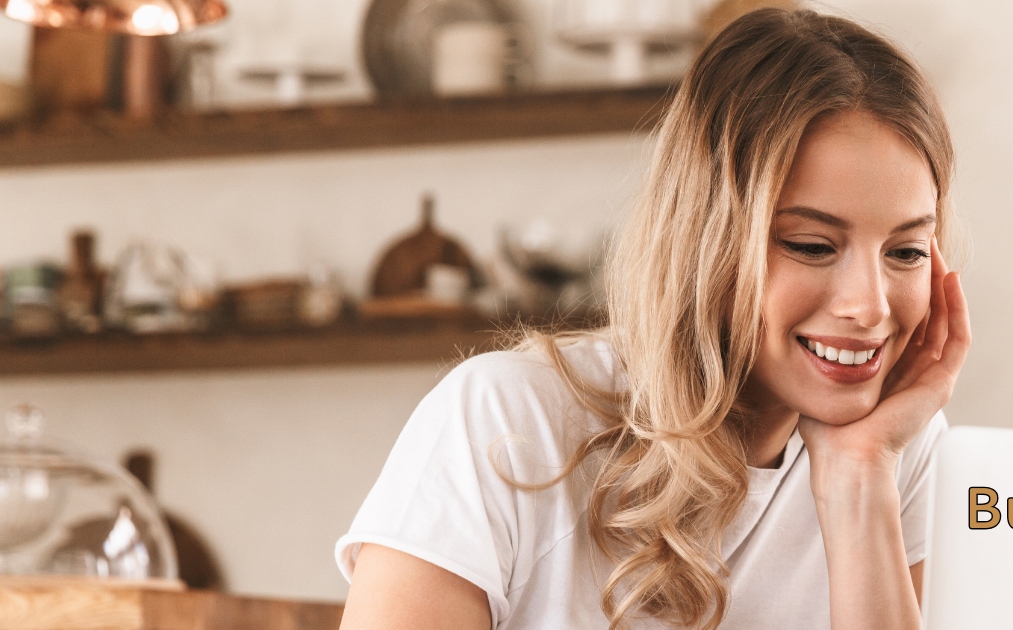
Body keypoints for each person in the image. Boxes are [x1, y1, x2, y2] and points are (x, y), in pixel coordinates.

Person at [334, 8, 970, 630]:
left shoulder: (896, 448)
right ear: (705, 238)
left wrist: (860, 478)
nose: (871, 306)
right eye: (810, 245)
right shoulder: (504, 423)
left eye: (906, 252)